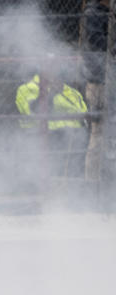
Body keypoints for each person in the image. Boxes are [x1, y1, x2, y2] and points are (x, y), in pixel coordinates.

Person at [15, 68, 89, 177]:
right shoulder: (27, 88)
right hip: (44, 135)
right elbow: (34, 111)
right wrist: (52, 94)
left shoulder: (72, 92)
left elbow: (85, 115)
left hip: (75, 137)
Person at [81, 0, 110, 181]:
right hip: (99, 82)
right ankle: (92, 181)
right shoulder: (93, 13)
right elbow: (96, 42)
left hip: (108, 79)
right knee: (98, 132)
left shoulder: (107, 13)